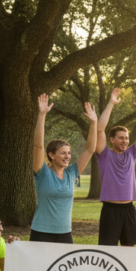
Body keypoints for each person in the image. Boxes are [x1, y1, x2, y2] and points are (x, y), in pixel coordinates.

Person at [31, 94, 98, 243]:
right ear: (51, 155)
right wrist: (42, 114)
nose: (67, 156)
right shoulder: (42, 172)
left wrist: (94, 123)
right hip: (41, 232)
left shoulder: (71, 173)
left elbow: (89, 150)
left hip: (65, 233)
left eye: (69, 153)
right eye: (63, 153)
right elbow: (38, 146)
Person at [95, 89, 136, 246]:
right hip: (110, 211)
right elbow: (99, 129)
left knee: (129, 250)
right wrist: (111, 103)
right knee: (107, 252)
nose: (125, 141)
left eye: (126, 138)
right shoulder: (104, 154)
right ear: (112, 139)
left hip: (129, 209)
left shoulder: (132, 154)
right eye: (121, 138)